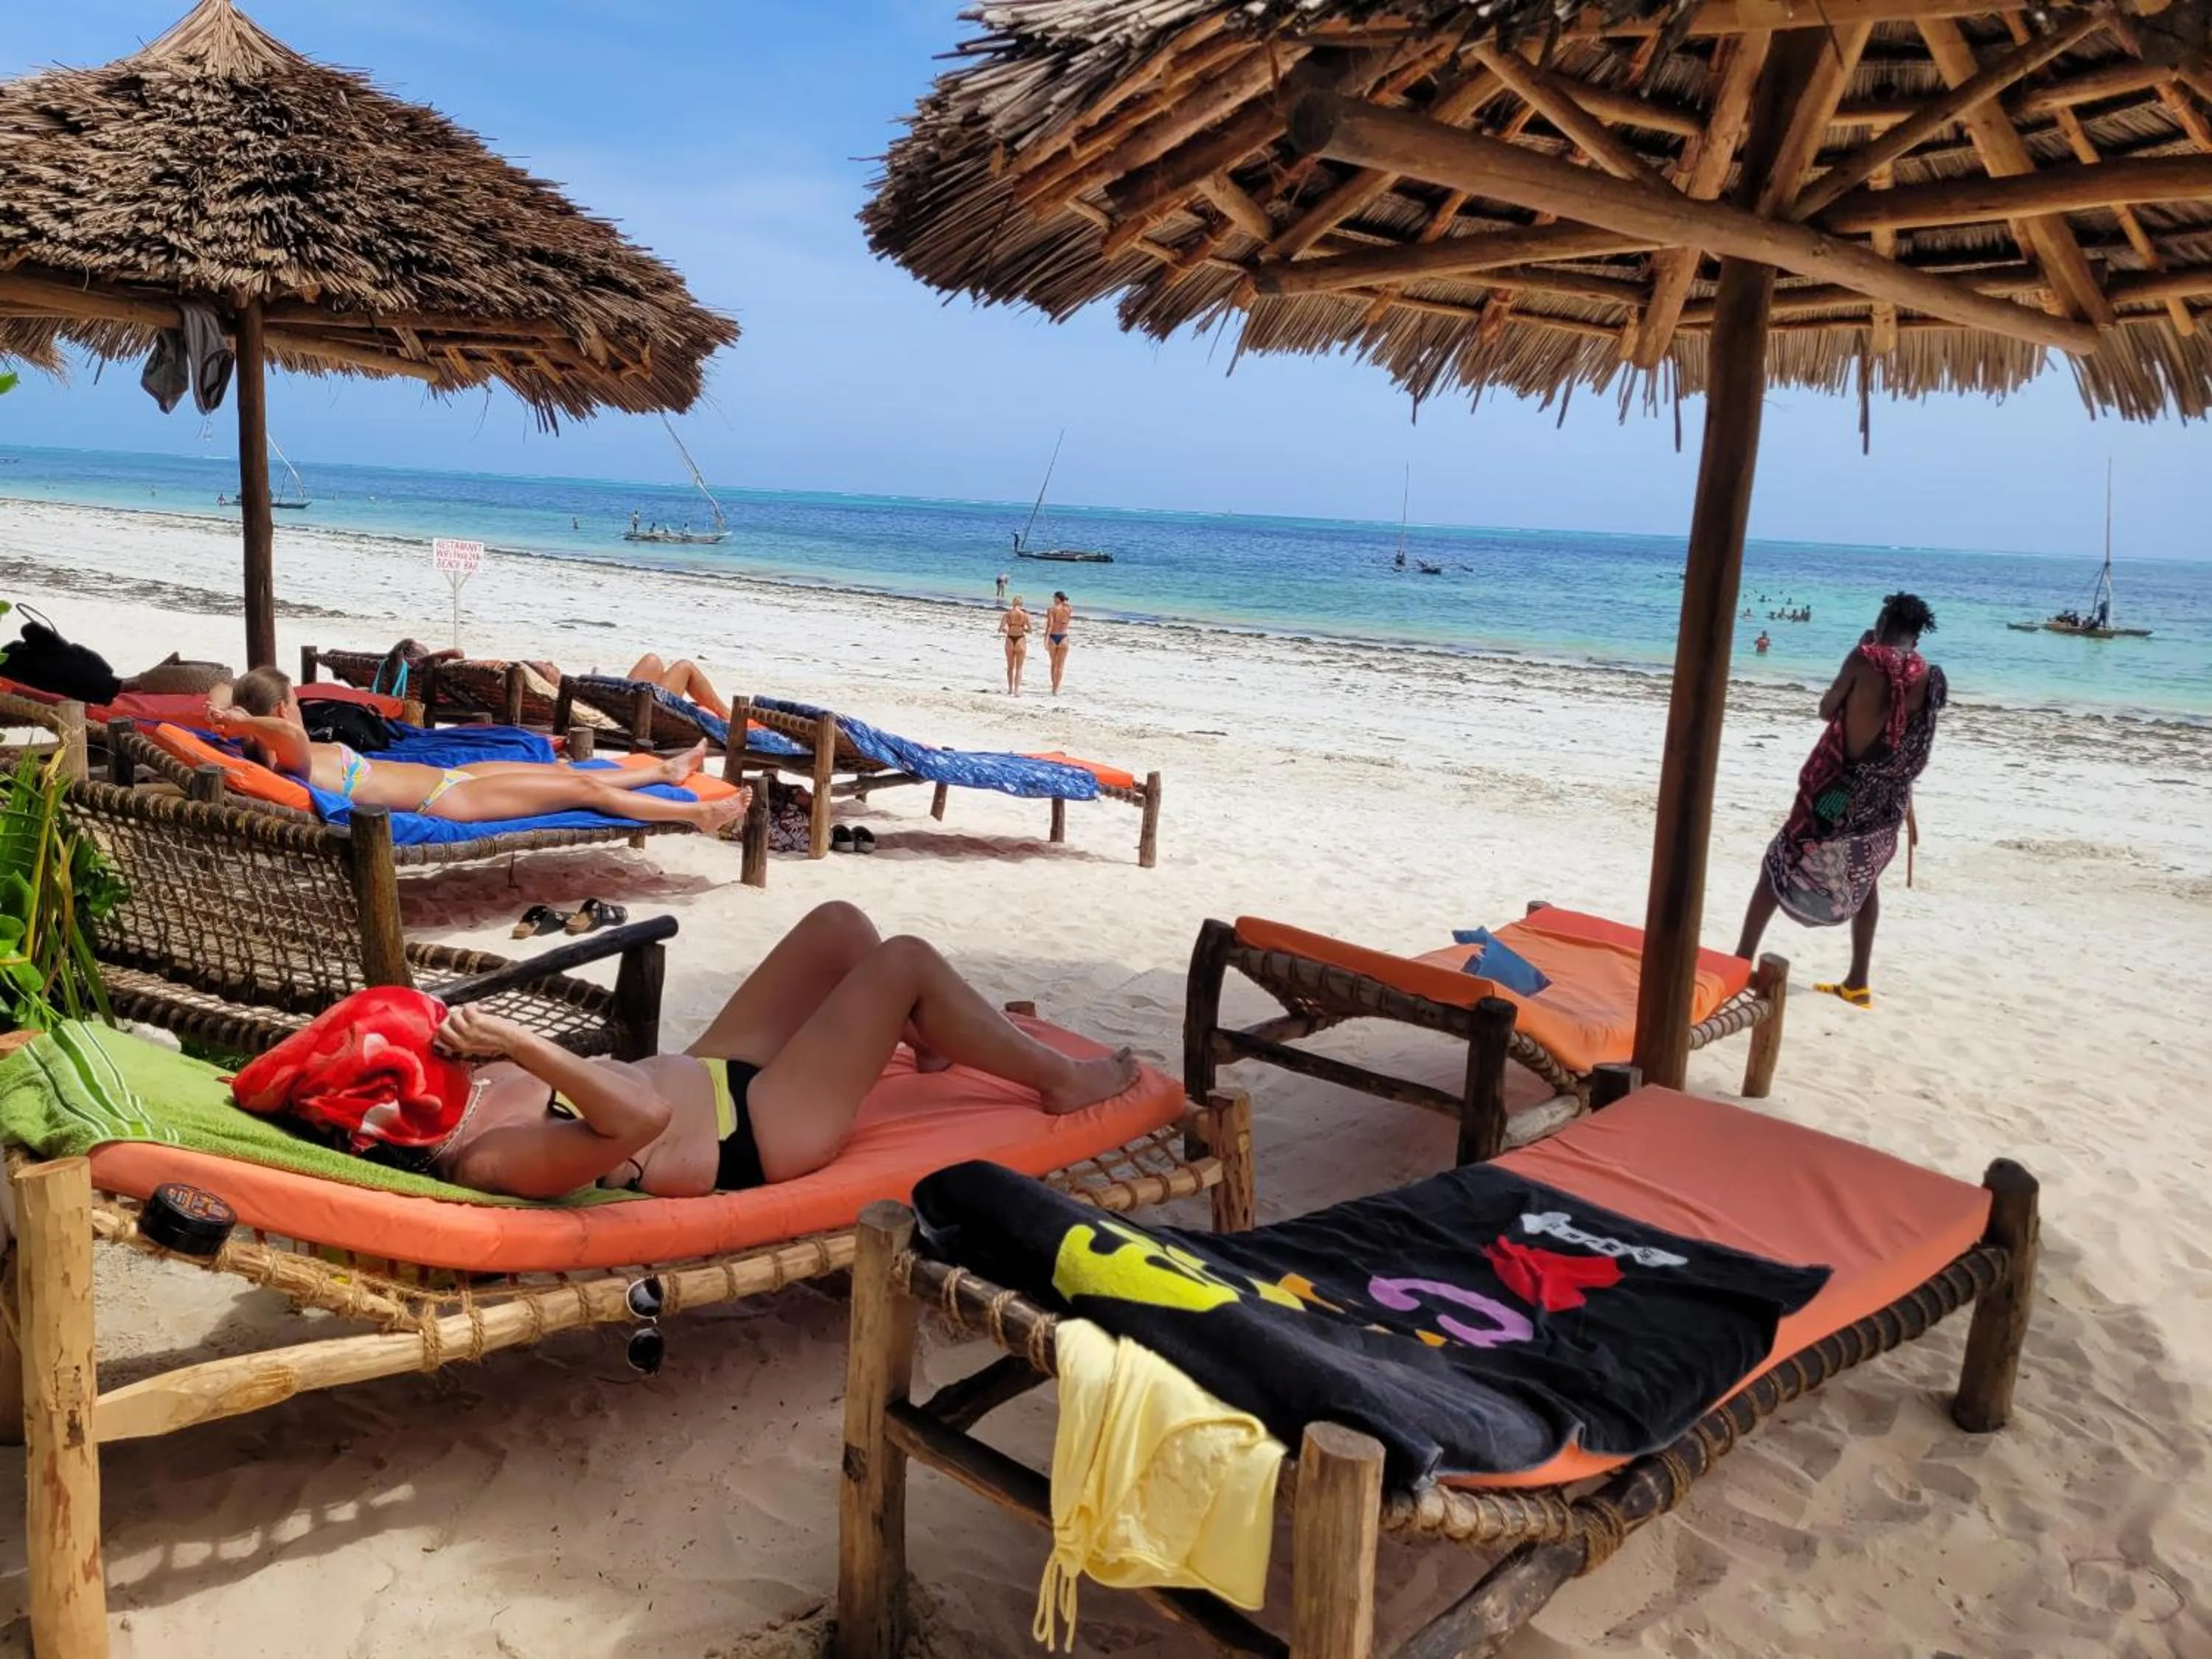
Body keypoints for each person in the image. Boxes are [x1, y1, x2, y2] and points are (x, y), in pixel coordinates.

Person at [428, 902, 1140, 1198]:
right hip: (757, 1132)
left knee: (839, 928)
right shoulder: (488, 1156)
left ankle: (926, 1037)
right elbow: (640, 1119)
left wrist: (499, 1052)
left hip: (710, 1070)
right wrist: (522, 1044)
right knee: (905, 961)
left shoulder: (470, 1089)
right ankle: (1062, 1080)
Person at [1734, 594, 1947, 1009]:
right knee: (1865, 880)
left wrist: (1861, 652)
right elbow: (1914, 742)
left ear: (1883, 620)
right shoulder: (1932, 677)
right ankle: (1857, 982)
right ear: (1919, 634)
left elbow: (1826, 709)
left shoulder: (1865, 657)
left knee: (1779, 860)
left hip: (1836, 791)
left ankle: (1741, 961)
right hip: (1884, 799)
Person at [211, 667, 744, 832]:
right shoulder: (285, 758)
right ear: (282, 713)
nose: (302, 712)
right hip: (443, 804)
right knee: (581, 787)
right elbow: (294, 738)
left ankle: (669, 770)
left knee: (566, 775)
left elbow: (218, 691)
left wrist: (227, 712)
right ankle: (699, 814)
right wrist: (245, 724)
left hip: (452, 780)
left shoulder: (274, 742)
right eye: (295, 704)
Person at [625, 651, 731, 720]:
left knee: (652, 660)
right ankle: (727, 716)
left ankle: (727, 714)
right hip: (649, 718)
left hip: (624, 710)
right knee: (685, 666)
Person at [1001, 594, 1032, 696]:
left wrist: (1007, 629)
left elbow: (1001, 629)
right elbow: (1030, 630)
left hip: (1010, 638)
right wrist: (1023, 629)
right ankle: (1016, 690)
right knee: (1019, 668)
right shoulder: (1025, 615)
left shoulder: (1007, 614)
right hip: (1020, 639)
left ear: (1013, 603)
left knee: (1010, 667)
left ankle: (1010, 689)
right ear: (1021, 604)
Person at [1046, 591, 1074, 695]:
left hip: (1053, 636)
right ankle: (1056, 690)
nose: (1053, 600)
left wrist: (1046, 639)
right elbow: (1068, 604)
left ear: (1057, 598)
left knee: (1054, 664)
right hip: (1064, 637)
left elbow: (1050, 625)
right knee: (1060, 666)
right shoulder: (1068, 609)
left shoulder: (1051, 610)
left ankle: (1053, 687)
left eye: (1054, 598)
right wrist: (1064, 601)